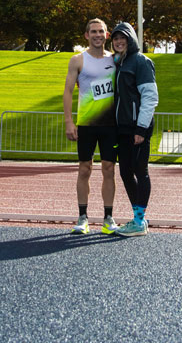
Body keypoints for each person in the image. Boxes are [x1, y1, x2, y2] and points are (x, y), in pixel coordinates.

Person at [63, 18, 118, 235]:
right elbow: (68, 91)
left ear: (107, 35)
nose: (97, 35)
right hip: (86, 124)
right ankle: (82, 217)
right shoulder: (78, 60)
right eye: (93, 31)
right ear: (86, 35)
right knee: (84, 169)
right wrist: (69, 121)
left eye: (101, 32)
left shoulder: (116, 59)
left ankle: (108, 218)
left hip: (110, 125)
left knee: (109, 169)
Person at [110, 22, 158, 237]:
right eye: (116, 38)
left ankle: (139, 221)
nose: (119, 41)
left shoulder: (141, 62)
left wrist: (141, 127)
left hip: (138, 127)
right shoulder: (118, 62)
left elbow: (150, 97)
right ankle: (138, 218)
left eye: (123, 37)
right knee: (125, 172)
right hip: (122, 128)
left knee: (140, 171)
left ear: (131, 39)